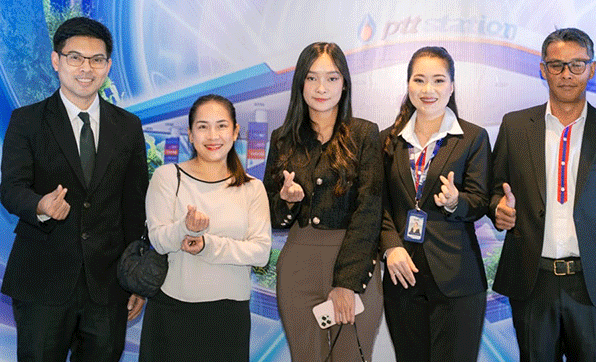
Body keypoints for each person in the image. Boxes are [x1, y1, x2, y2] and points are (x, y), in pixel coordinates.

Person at [0, 17, 149, 361]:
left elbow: (134, 206)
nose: (86, 68)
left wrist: (135, 278)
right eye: (75, 57)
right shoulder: (27, 121)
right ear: (56, 60)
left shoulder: (128, 127)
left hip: (108, 286)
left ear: (107, 66)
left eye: (97, 59)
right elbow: (11, 188)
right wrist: (40, 205)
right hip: (42, 281)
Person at [491, 28, 596, 361]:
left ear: (592, 69)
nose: (566, 74)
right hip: (532, 280)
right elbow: (494, 187)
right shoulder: (515, 126)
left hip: (593, 281)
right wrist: (498, 209)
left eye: (577, 65)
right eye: (556, 65)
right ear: (543, 69)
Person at [265, 42, 383, 361]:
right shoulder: (282, 138)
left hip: (354, 264)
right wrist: (287, 202)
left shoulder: (364, 134)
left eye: (332, 78)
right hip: (298, 267)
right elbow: (271, 216)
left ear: (344, 84)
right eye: (312, 78)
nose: (321, 88)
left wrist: (346, 283)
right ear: (300, 83)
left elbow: (370, 212)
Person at [139, 94, 271, 362]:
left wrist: (207, 245)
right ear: (190, 134)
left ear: (235, 132)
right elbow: (159, 240)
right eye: (203, 126)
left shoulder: (252, 187)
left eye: (221, 126)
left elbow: (260, 252)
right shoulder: (168, 176)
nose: (213, 136)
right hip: (172, 312)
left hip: (229, 317)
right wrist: (184, 228)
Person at [381, 46, 491, 362]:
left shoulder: (473, 137)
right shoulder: (387, 139)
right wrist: (390, 247)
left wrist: (456, 202)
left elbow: (480, 201)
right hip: (402, 275)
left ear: (452, 86)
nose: (428, 89)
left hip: (457, 277)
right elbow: (378, 205)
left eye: (439, 80)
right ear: (408, 84)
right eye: (419, 80)